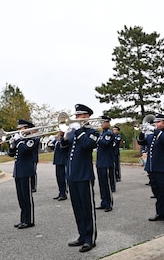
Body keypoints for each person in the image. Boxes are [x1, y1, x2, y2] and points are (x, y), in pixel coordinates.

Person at [62, 104, 99, 253]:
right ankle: (82, 235)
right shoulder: (72, 132)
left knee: (87, 209)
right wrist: (63, 137)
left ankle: (90, 239)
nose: (76, 118)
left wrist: (79, 131)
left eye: (79, 116)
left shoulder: (92, 132)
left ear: (87, 117)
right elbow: (62, 149)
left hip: (84, 175)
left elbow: (88, 145)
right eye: (76, 116)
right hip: (72, 175)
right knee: (77, 208)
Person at [137, 113, 164, 225]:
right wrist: (142, 132)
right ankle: (160, 213)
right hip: (151, 168)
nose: (156, 124)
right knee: (156, 192)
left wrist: (155, 130)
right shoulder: (151, 136)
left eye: (158, 122)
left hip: (162, 169)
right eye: (155, 122)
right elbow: (141, 142)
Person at [8, 119, 39, 229]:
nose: (19, 130)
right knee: (21, 197)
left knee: (27, 197)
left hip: (26, 171)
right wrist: (11, 145)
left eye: (20, 128)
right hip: (18, 171)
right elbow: (11, 154)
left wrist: (18, 141)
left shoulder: (32, 139)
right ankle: (23, 219)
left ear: (26, 128)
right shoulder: (20, 140)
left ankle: (29, 220)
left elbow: (25, 149)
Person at [95, 116, 115, 212]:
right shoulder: (102, 133)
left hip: (107, 162)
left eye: (103, 122)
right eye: (101, 122)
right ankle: (103, 202)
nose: (101, 124)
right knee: (101, 183)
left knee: (107, 183)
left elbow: (105, 143)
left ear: (108, 123)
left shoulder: (109, 133)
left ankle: (109, 203)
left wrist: (98, 138)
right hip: (100, 161)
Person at [51, 131, 68, 201]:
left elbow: (62, 147)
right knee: (59, 178)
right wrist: (54, 140)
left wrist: (55, 140)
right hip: (58, 161)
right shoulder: (59, 139)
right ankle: (61, 192)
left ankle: (63, 193)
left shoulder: (64, 139)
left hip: (62, 161)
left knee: (62, 178)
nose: (59, 132)